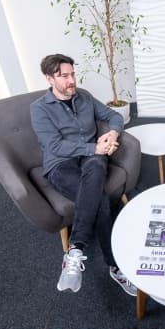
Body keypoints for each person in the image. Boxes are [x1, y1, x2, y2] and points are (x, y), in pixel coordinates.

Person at [30, 53, 136, 295]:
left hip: (92, 158)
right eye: (63, 76)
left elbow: (113, 116)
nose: (71, 81)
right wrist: (94, 148)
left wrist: (112, 134)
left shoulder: (84, 96)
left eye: (72, 74)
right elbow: (54, 146)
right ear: (49, 79)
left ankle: (75, 250)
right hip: (60, 164)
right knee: (100, 201)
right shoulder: (39, 109)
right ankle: (115, 266)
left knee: (97, 166)